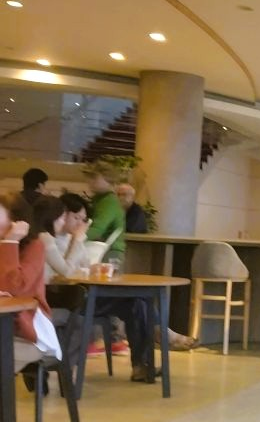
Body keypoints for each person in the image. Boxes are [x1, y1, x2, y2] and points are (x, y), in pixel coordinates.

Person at [32, 195, 155, 381]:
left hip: (78, 293)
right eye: (74, 217)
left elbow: (83, 267)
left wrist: (92, 267)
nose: (80, 224)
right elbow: (67, 271)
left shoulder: (72, 239)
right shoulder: (48, 239)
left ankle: (141, 364)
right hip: (64, 297)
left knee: (137, 303)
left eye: (83, 219)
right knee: (136, 302)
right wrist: (76, 242)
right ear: (58, 214)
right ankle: (160, 334)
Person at [0, 193, 60, 374]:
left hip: (25, 333)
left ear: (17, 221)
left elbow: (15, 288)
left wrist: (10, 241)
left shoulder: (35, 247)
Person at [84, 161, 126, 260]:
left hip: (108, 252)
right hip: (107, 250)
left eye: (94, 177)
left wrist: (74, 239)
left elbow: (97, 229)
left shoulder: (109, 201)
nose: (90, 181)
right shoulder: (101, 199)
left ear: (108, 178)